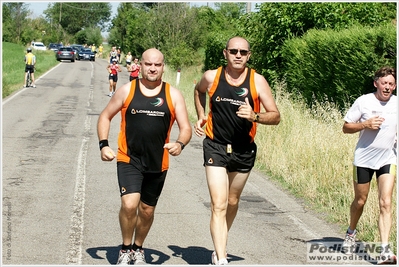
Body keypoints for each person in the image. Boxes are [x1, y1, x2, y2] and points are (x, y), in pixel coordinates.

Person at [97, 47, 192, 265]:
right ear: (140, 65)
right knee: (130, 205)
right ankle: (125, 248)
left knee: (147, 210)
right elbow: (105, 116)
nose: (152, 68)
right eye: (148, 64)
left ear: (163, 67)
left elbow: (185, 127)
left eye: (157, 65)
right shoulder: (127, 90)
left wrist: (180, 143)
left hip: (158, 162)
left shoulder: (173, 94)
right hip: (128, 158)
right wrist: (103, 145)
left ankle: (138, 248)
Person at [194, 36, 280, 265]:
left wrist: (255, 116)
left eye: (243, 52)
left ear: (249, 55)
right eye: (234, 51)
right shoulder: (212, 77)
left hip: (244, 150)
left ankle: (221, 240)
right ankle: (221, 258)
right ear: (225, 53)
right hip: (215, 146)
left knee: (232, 201)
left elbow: (276, 116)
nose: (238, 55)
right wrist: (202, 115)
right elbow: (198, 91)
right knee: (219, 203)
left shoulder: (258, 81)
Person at [341, 66, 397, 264]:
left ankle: (384, 250)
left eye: (391, 84)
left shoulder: (397, 103)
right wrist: (365, 125)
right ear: (376, 84)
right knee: (360, 201)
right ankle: (350, 233)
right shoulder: (364, 101)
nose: (388, 87)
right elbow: (346, 127)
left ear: (395, 85)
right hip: (364, 159)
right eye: (384, 83)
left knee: (386, 202)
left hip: (388, 159)